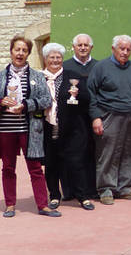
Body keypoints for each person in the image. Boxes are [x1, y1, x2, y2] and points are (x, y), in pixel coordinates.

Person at [0, 36, 58, 217]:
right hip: (5, 129)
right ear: (11, 51)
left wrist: (25, 105)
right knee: (8, 168)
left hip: (30, 129)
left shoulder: (37, 76)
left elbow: (46, 100)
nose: (20, 53)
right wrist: (2, 101)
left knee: (35, 168)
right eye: (17, 49)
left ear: (28, 54)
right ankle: (10, 204)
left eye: (24, 50)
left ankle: (43, 205)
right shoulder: (1, 76)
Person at [87, 35, 131, 205]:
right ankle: (106, 189)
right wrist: (96, 117)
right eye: (121, 48)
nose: (125, 52)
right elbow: (91, 93)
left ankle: (124, 188)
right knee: (108, 153)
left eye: (128, 49)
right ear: (113, 49)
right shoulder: (101, 67)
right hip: (109, 115)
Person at [56, 33, 97, 210]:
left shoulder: (98, 66)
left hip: (91, 116)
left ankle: (89, 189)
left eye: (85, 45)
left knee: (90, 153)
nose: (82, 48)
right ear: (73, 47)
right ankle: (69, 190)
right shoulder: (65, 67)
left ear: (91, 48)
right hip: (70, 117)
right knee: (68, 154)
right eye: (79, 45)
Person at [41, 43, 70, 210]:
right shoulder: (39, 77)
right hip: (45, 124)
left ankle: (68, 190)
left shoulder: (69, 76)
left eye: (58, 57)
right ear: (45, 59)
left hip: (65, 124)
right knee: (50, 161)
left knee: (67, 159)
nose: (55, 60)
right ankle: (54, 194)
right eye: (52, 57)